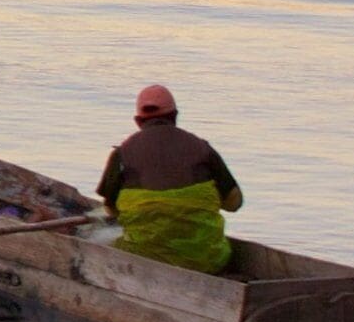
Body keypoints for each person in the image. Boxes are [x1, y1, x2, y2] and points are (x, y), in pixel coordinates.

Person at [96, 84, 245, 272]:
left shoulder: (122, 154)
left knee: (107, 247)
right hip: (207, 261)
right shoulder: (203, 149)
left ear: (137, 121)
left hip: (143, 256)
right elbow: (234, 204)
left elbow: (111, 210)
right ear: (175, 116)